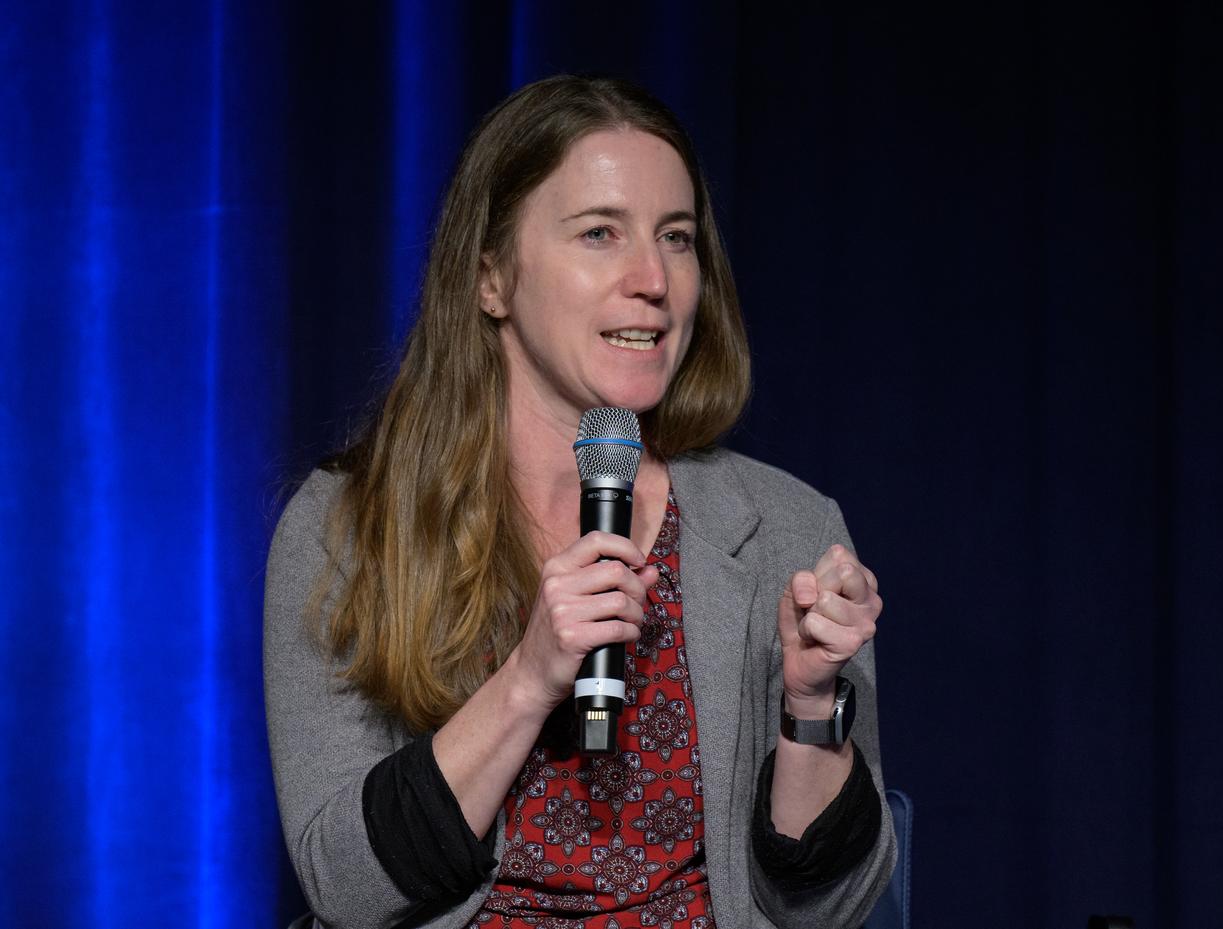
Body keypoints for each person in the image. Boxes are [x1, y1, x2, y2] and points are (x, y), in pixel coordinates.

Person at [264, 75, 895, 929]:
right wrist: (528, 680)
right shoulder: (347, 528)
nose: (654, 280)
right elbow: (346, 889)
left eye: (677, 239)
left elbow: (833, 911)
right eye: (601, 233)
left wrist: (812, 707)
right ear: (491, 279)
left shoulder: (789, 528)